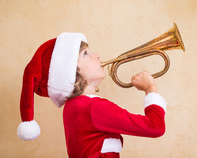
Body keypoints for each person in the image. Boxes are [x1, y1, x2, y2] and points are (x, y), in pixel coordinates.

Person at [17, 32, 166, 158]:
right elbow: (155, 127)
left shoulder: (74, 106)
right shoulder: (93, 107)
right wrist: (150, 88)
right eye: (86, 53)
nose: (97, 56)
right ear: (71, 71)